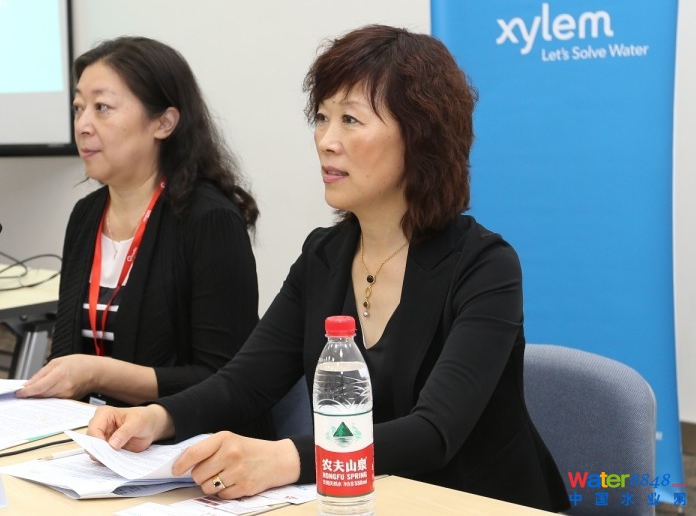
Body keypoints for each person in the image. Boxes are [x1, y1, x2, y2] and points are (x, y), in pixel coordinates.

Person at [87, 25, 570, 511]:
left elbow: (434, 433)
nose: (326, 140)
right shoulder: (324, 256)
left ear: (420, 136)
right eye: (321, 117)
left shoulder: (485, 266)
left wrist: (284, 458)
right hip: (361, 501)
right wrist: (158, 417)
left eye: (351, 120)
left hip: (479, 503)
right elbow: (244, 382)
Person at [18, 36, 264, 410]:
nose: (83, 125)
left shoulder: (210, 221)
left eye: (102, 108)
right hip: (91, 432)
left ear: (163, 123)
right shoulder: (86, 215)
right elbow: (68, 354)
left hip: (188, 436)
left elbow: (224, 379)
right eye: (79, 108)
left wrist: (97, 374)